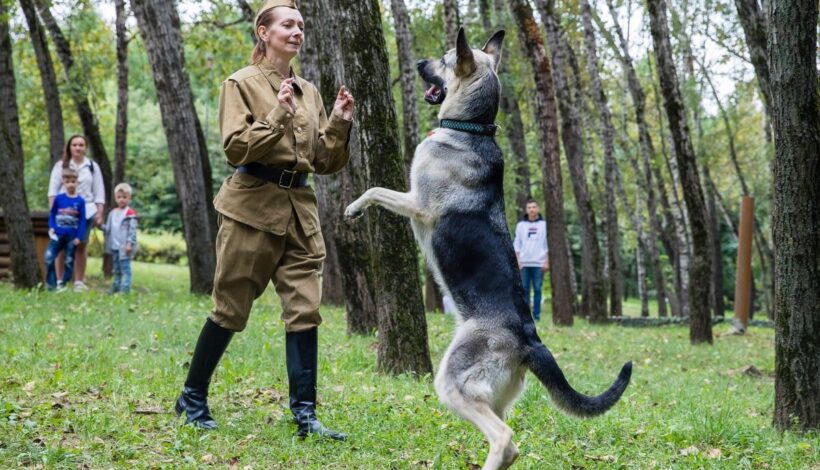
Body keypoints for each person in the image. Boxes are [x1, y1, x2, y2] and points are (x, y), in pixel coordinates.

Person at [173, 0, 354, 441]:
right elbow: (235, 148)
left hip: (300, 211)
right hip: (252, 209)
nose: (297, 31)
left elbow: (323, 161)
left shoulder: (308, 90)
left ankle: (306, 416)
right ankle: (192, 398)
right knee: (230, 309)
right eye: (288, 24)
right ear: (263, 32)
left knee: (305, 310)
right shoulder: (240, 84)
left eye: (301, 25)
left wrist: (338, 124)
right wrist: (277, 114)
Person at [48, 135, 105, 292]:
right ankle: (60, 281)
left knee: (81, 245)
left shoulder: (92, 167)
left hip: (86, 211)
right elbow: (52, 191)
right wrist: (53, 213)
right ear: (70, 147)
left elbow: (99, 192)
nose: (78, 148)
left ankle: (79, 281)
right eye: (74, 145)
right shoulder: (61, 165)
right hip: (64, 211)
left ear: (85, 147)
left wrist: (99, 213)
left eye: (81, 145)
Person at [45, 168, 86, 291]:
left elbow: (82, 220)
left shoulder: (80, 201)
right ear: (63, 182)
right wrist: (52, 227)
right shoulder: (58, 199)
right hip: (57, 234)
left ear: (77, 182)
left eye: (73, 181)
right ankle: (52, 285)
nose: (70, 184)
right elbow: (52, 214)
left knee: (69, 261)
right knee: (48, 257)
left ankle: (63, 285)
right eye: (67, 181)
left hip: (72, 237)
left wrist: (79, 237)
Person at [513, 199, 549, 321]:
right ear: (526, 210)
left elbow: (546, 244)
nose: (532, 209)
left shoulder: (544, 225)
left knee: (538, 289)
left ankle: (537, 315)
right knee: (524, 290)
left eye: (534, 207)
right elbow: (517, 244)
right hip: (524, 263)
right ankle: (526, 316)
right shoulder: (521, 225)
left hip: (539, 263)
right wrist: (517, 260)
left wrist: (546, 261)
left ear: (537, 209)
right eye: (529, 207)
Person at [103, 183, 138, 294]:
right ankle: (116, 286)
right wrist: (99, 225)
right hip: (114, 246)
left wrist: (130, 244)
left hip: (124, 247)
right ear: (115, 198)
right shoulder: (112, 213)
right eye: (119, 197)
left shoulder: (130, 213)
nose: (121, 200)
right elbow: (108, 229)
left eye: (124, 197)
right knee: (116, 269)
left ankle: (126, 288)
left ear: (129, 198)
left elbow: (132, 231)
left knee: (125, 269)